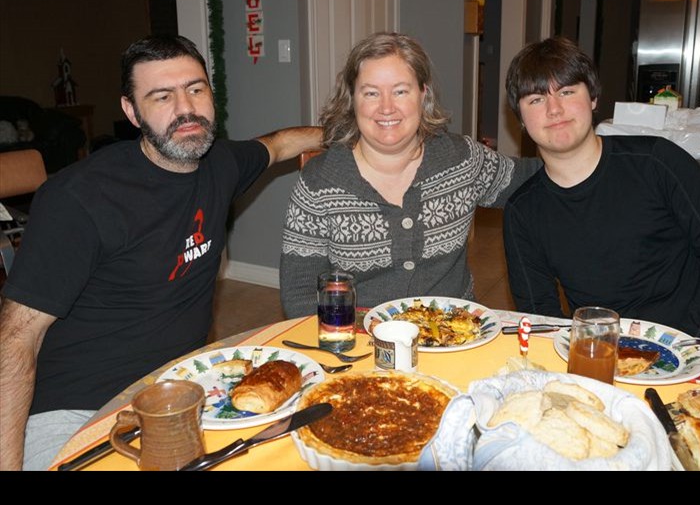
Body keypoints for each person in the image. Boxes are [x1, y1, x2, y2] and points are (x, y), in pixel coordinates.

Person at [0, 35, 321, 471]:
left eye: (195, 89)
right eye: (161, 96)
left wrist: (366, 128)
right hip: (77, 412)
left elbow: (281, 142)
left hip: (189, 389)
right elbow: (17, 338)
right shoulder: (78, 199)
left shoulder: (221, 164)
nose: (185, 109)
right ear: (132, 112)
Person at [502, 36, 700, 340]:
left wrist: (691, 342)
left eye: (567, 92)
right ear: (521, 119)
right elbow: (540, 314)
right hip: (598, 351)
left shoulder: (658, 162)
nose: (554, 109)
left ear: (593, 98)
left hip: (689, 340)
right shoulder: (523, 211)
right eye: (536, 99)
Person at [279, 32, 542, 317]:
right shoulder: (318, 184)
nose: (386, 107)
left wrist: (590, 151)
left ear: (423, 94)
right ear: (352, 100)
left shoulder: (460, 159)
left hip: (455, 336)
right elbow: (299, 296)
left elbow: (535, 178)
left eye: (401, 91)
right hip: (364, 344)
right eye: (371, 93)